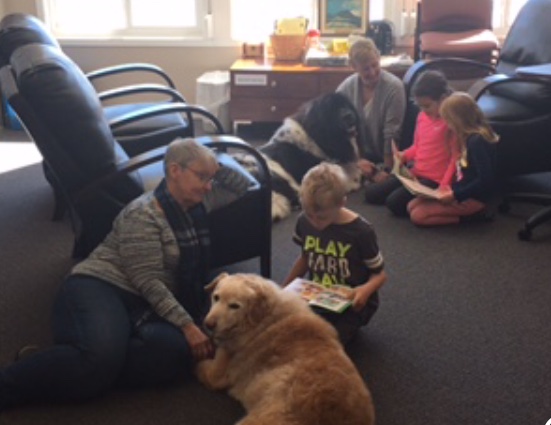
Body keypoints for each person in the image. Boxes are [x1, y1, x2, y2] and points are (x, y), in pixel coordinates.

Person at [0, 137, 252, 410]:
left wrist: (210, 161)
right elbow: (149, 281)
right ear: (175, 171)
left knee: (174, 356)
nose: (208, 185)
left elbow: (242, 183)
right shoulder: (143, 214)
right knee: (99, 361)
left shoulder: (200, 202)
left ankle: (68, 361)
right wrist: (188, 326)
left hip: (142, 304)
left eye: (210, 178)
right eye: (202, 176)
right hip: (100, 285)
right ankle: (21, 379)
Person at [282, 162, 387, 345]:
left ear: (342, 203)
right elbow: (305, 258)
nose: (314, 222)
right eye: (308, 214)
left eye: (321, 217)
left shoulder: (361, 232)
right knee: (288, 330)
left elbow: (380, 275)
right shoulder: (303, 222)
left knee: (328, 341)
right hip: (316, 296)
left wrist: (363, 291)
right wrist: (283, 290)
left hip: (353, 304)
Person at [364, 70, 459, 215]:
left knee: (393, 203)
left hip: (435, 180)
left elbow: (455, 158)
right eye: (420, 106)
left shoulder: (451, 122)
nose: (423, 110)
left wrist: (444, 186)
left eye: (427, 106)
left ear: (443, 99)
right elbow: (418, 146)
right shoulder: (422, 117)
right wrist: (404, 155)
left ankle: (427, 202)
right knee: (371, 193)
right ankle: (414, 197)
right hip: (415, 173)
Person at [408, 92, 499, 226]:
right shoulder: (462, 136)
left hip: (474, 197)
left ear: (458, 120)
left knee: (418, 216)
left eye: (448, 120)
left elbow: (485, 180)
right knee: (411, 206)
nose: (447, 125)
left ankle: (474, 218)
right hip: (459, 189)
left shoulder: (476, 142)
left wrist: (456, 195)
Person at [337, 37, 406, 184]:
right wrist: (356, 161)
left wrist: (386, 171)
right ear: (354, 67)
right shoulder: (345, 89)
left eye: (375, 65)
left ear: (379, 58)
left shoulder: (394, 88)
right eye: (366, 69)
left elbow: (392, 134)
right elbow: (338, 132)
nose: (373, 72)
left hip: (384, 159)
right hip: (356, 160)